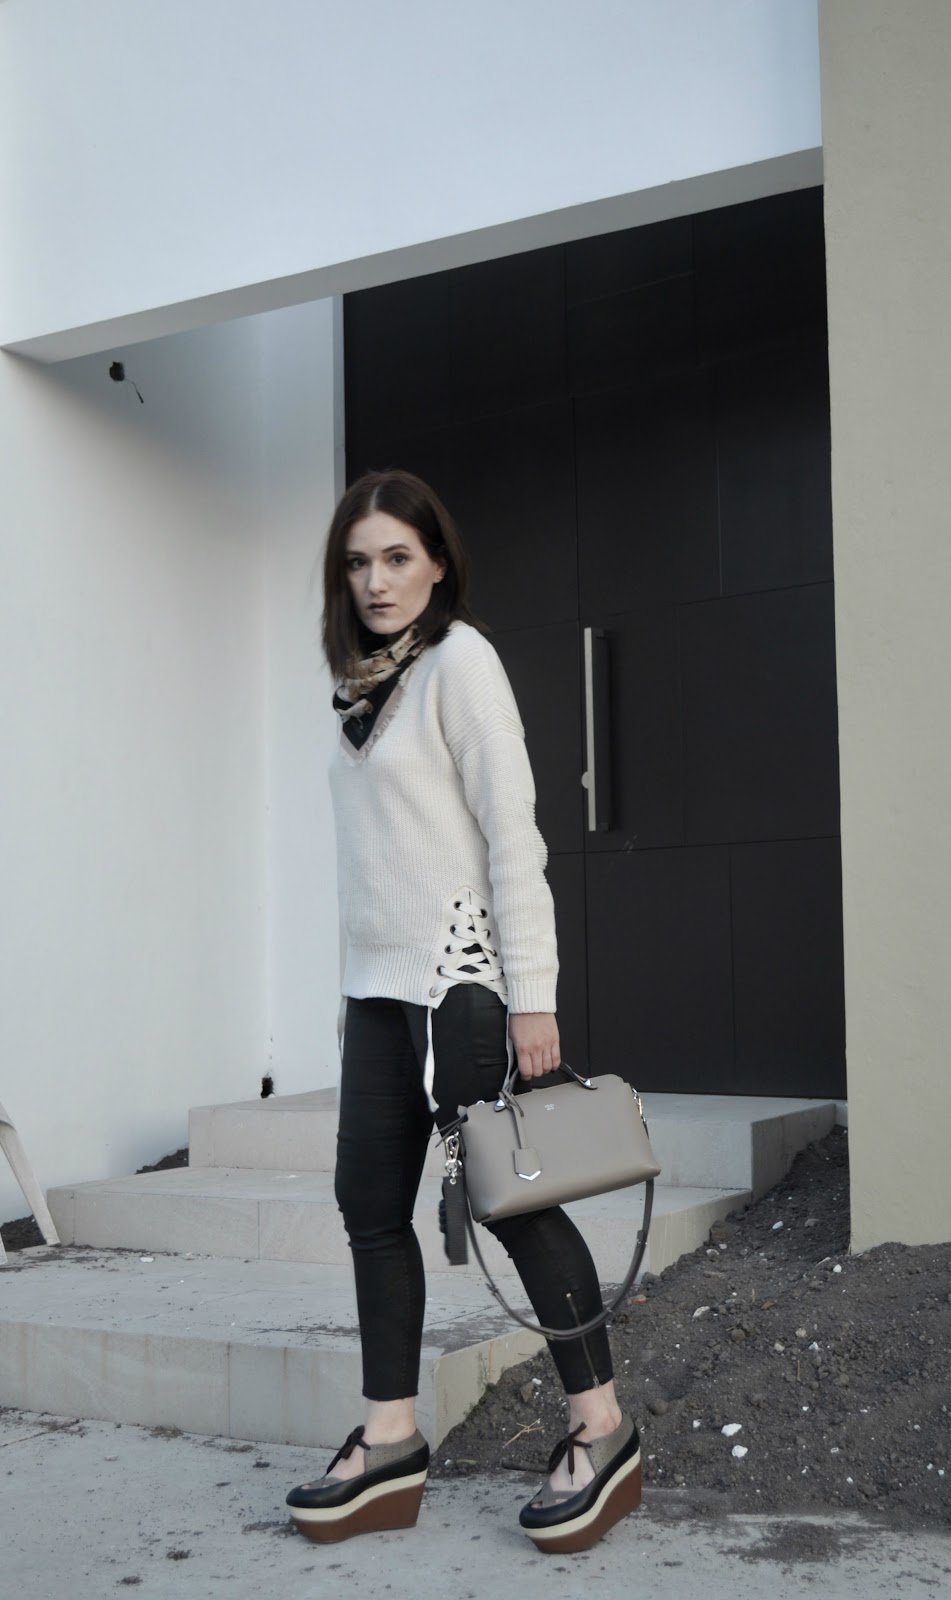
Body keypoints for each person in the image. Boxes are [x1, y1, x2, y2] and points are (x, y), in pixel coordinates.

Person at [285, 469, 639, 1553]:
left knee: (512, 1200)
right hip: (375, 996)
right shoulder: (356, 688)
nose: (377, 580)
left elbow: (512, 838)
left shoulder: (460, 664)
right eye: (358, 562)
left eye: (397, 557)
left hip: (459, 986)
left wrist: (532, 998)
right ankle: (391, 1436)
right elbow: (373, 865)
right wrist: (349, 999)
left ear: (437, 564)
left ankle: (603, 1428)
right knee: (367, 1205)